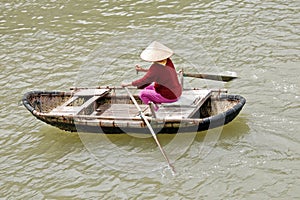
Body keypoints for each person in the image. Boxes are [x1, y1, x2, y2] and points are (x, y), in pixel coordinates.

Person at [121, 41, 182, 110]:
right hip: (177, 91)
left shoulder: (155, 68)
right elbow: (159, 73)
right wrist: (143, 70)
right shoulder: (168, 61)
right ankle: (157, 104)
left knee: (142, 94)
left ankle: (155, 109)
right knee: (148, 88)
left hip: (170, 96)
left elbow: (143, 81)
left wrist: (127, 84)